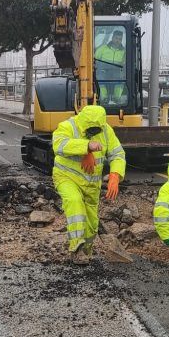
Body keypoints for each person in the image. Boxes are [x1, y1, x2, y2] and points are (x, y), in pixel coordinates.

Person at [52, 104, 126, 264]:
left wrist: (115, 174)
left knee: (92, 223)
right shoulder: (68, 126)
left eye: (96, 129)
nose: (93, 132)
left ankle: (86, 252)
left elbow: (117, 153)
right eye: (90, 129)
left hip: (91, 185)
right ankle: (76, 249)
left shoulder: (106, 131)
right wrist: (85, 147)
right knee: (74, 203)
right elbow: (58, 145)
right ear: (83, 121)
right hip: (67, 177)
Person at [94, 30, 126, 105]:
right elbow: (94, 59)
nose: (118, 41)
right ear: (112, 38)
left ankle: (117, 99)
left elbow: (124, 64)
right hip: (103, 73)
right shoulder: (103, 49)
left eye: (120, 39)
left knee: (121, 81)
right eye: (116, 38)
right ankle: (103, 99)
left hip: (117, 73)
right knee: (100, 80)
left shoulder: (124, 52)